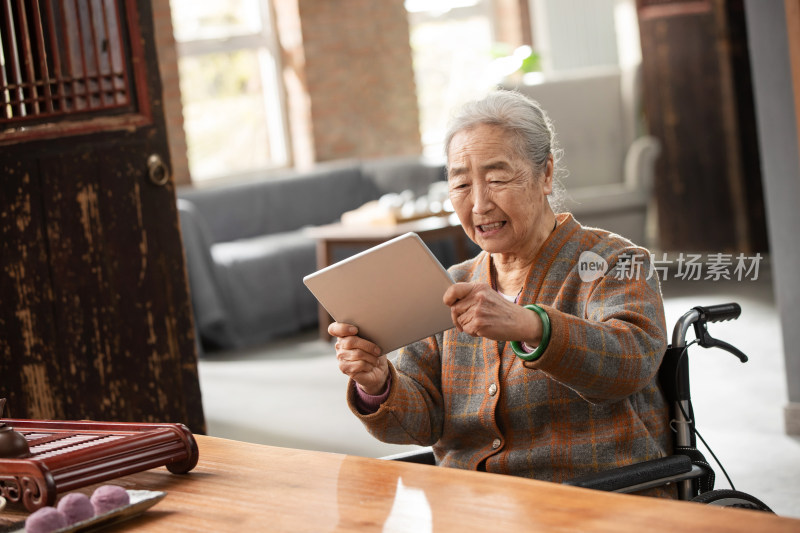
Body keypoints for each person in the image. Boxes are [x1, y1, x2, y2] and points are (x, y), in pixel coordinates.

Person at [329, 90, 672, 496]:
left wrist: (531, 326)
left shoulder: (612, 261)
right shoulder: (447, 284)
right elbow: (420, 425)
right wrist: (379, 384)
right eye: (460, 183)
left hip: (590, 498)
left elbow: (630, 364)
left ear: (545, 175)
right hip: (471, 508)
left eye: (496, 179)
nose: (478, 204)